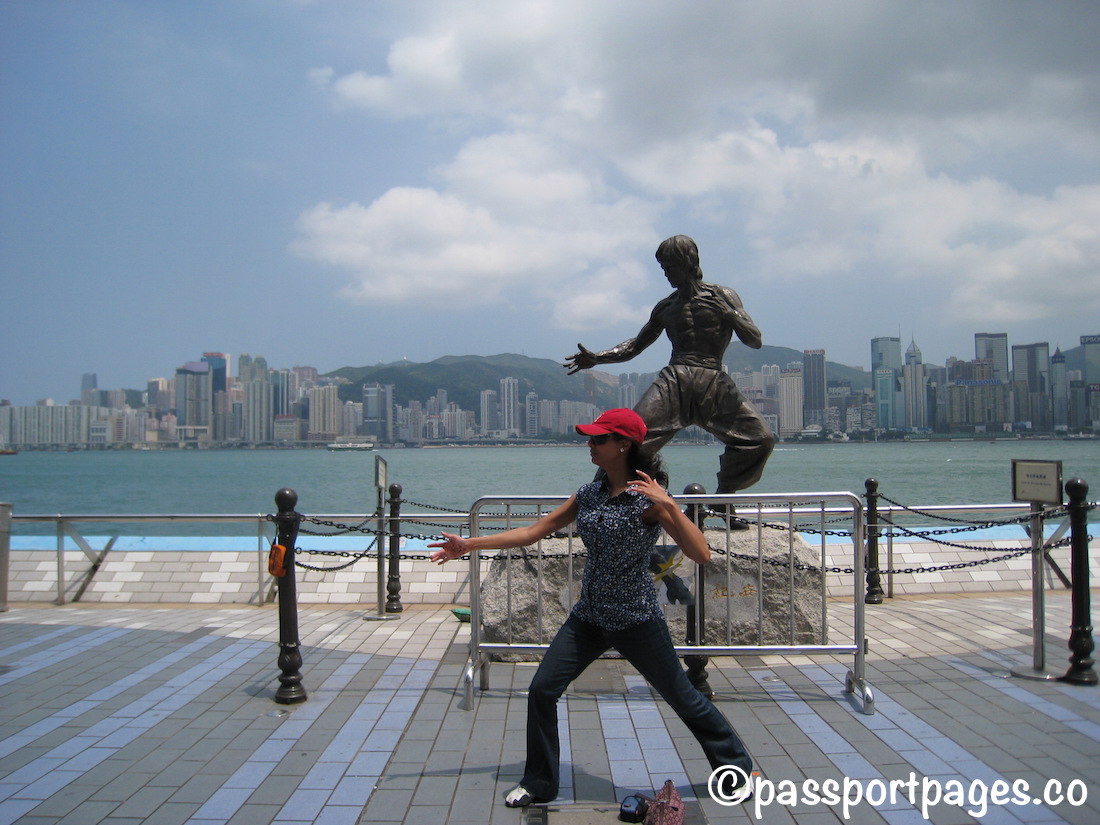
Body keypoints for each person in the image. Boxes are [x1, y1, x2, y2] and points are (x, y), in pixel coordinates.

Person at [429, 408, 753, 808]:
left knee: (683, 698)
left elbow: (701, 554)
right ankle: (539, 783)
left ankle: (738, 772)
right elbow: (533, 531)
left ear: (624, 444)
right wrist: (468, 544)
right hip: (588, 617)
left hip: (636, 619)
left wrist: (669, 505)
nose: (590, 444)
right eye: (590, 438)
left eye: (599, 439)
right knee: (541, 690)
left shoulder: (648, 501)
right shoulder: (589, 495)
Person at [565, 235, 774, 495]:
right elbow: (635, 345)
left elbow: (754, 339)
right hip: (675, 380)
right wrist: (598, 357)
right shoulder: (667, 306)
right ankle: (599, 499)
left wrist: (728, 312)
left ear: (688, 262)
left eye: (670, 267)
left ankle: (724, 498)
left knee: (760, 440)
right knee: (630, 439)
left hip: (713, 380)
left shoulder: (724, 296)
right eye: (663, 268)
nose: (666, 274)